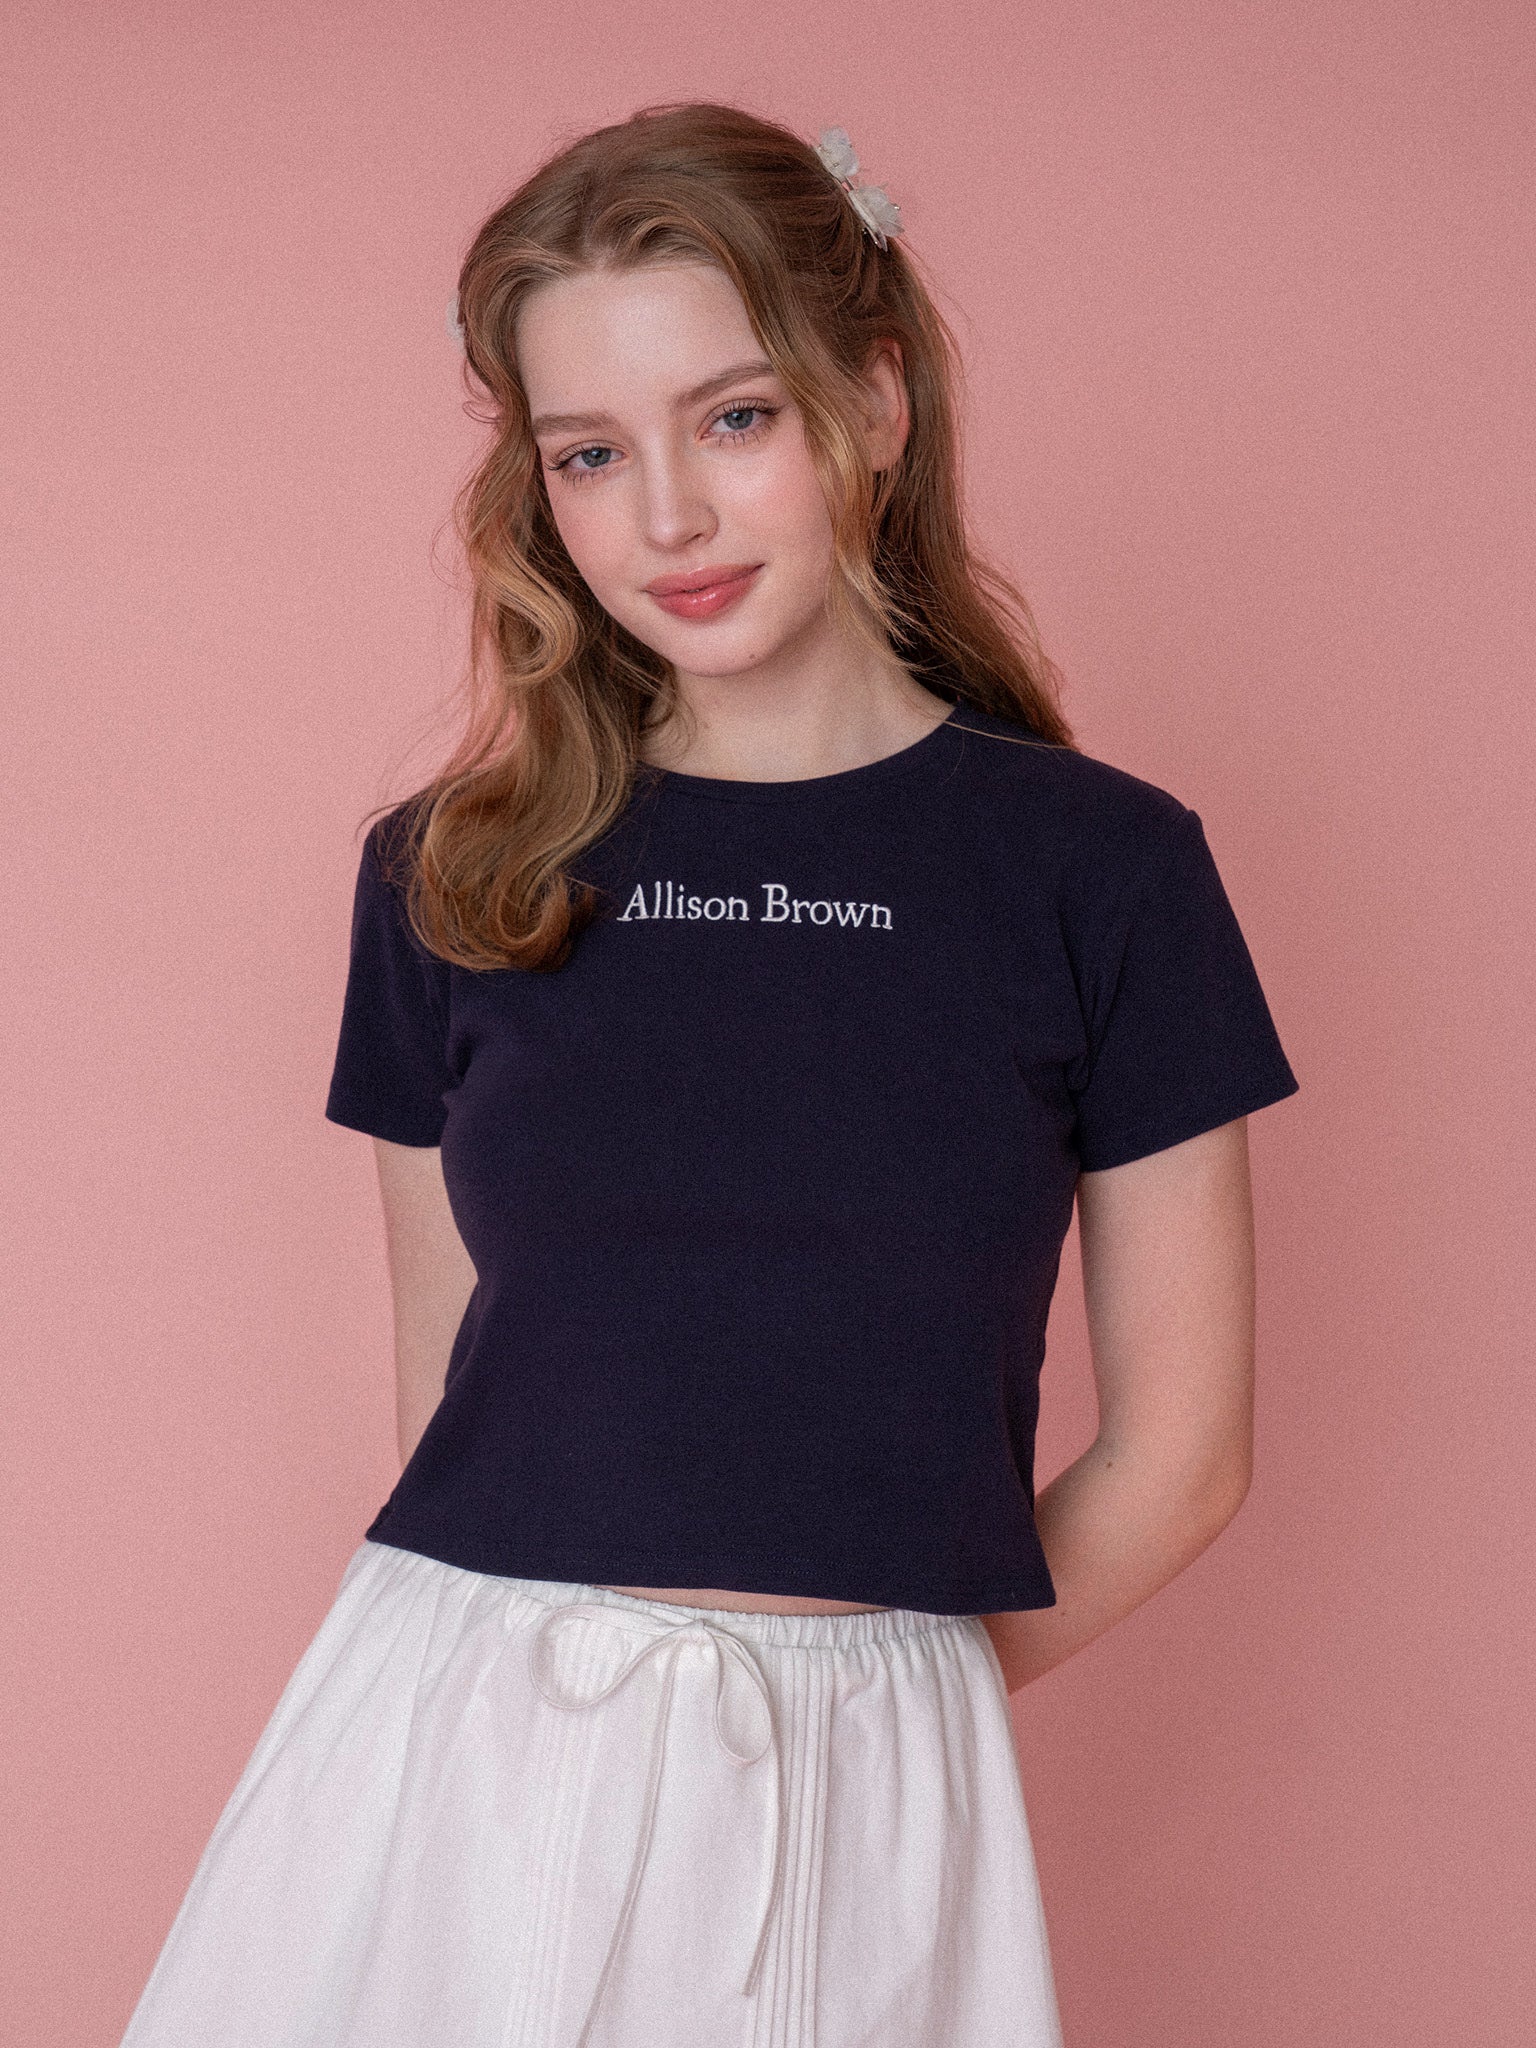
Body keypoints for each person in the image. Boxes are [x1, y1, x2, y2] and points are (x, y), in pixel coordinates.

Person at [119, 100, 1299, 2048]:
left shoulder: (1103, 872)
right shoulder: (451, 872)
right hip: (448, 1751)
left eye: (733, 418)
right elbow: (449, 1397)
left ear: (877, 403)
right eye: (590, 452)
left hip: (868, 1781)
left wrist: (877, 1691)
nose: (664, 517)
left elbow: (1185, 1455)